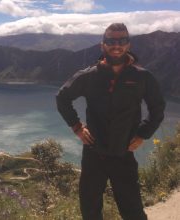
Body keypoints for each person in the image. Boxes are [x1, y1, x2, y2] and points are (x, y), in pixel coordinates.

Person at [56, 23, 165, 220]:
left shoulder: (142, 77)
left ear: (128, 44)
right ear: (102, 45)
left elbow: (157, 108)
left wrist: (142, 134)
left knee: (133, 212)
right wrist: (77, 127)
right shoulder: (88, 76)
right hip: (93, 154)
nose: (117, 45)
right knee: (90, 211)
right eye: (111, 41)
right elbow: (62, 98)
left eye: (122, 40)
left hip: (123, 154)